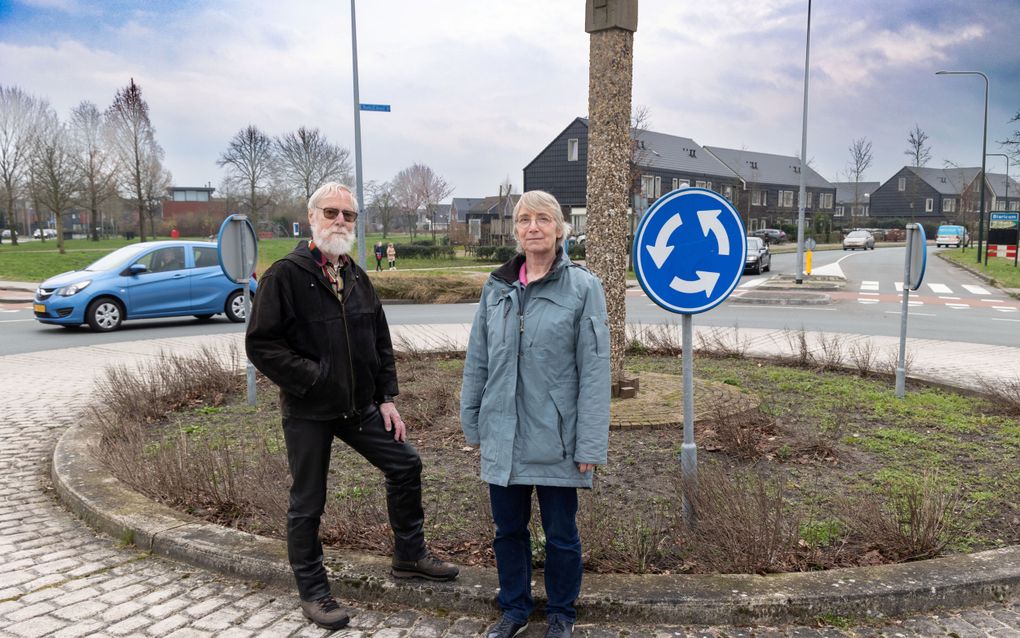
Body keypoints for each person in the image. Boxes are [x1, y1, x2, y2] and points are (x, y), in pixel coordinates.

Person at [246, 182, 459, 631]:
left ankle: (409, 555)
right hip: (308, 409)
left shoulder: (357, 277)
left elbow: (379, 342)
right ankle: (313, 591)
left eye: (348, 215)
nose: (340, 221)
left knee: (405, 464)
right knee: (309, 501)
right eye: (332, 213)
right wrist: (314, 379)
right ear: (312, 218)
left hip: (358, 405)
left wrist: (385, 399)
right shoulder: (285, 275)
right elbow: (262, 345)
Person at [460, 190, 610, 638]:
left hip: (557, 438)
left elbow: (596, 371)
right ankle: (514, 609)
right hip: (503, 432)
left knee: (561, 534)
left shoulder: (584, 288)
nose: (533, 227)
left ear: (560, 228)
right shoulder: (497, 286)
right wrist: (473, 421)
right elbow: (478, 359)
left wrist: (590, 442)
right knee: (508, 532)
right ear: (516, 229)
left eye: (543, 219)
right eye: (524, 219)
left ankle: (561, 613)